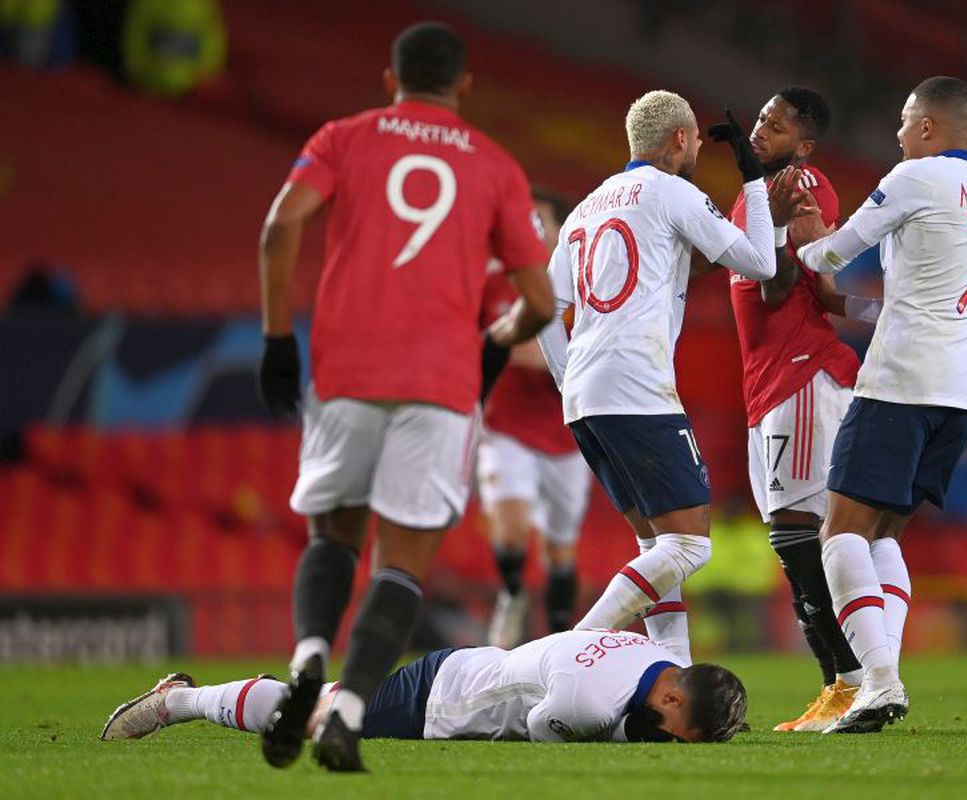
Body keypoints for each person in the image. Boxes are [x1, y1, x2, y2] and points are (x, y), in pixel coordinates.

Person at [255, 21, 553, 771]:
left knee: (333, 536)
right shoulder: (495, 165)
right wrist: (498, 337)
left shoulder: (342, 138)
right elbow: (541, 303)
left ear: (391, 81)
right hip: (440, 384)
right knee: (402, 562)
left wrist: (276, 338)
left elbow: (280, 226)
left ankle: (308, 657)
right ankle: (348, 712)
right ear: (465, 87)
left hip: (347, 370)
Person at [537, 90, 798, 666]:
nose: (699, 149)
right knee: (688, 544)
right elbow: (761, 263)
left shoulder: (586, 207)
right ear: (680, 138)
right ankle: (570, 651)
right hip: (637, 385)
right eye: (697, 141)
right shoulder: (670, 191)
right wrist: (753, 182)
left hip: (585, 397)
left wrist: (565, 377)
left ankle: (672, 667)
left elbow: (546, 307)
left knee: (654, 543)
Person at [792, 76, 967, 733]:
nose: (897, 133)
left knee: (841, 532)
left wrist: (805, 237)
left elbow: (834, 251)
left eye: (904, 120)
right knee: (884, 533)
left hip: (903, 379)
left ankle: (880, 682)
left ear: (927, 127)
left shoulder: (916, 176)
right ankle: (882, 680)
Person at [721, 87, 883, 732]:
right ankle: (844, 681)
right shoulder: (755, 192)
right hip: (768, 380)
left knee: (800, 531)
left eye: (778, 125)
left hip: (802, 372)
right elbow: (823, 292)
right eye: (761, 117)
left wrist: (785, 227)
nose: (761, 129)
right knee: (791, 534)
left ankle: (849, 681)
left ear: (805, 146)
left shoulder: (802, 185)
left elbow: (792, 284)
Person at [99, 630, 748, 745]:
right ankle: (178, 700)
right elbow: (543, 731)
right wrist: (624, 737)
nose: (676, 744)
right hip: (443, 698)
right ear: (670, 699)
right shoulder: (589, 701)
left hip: (475, 666)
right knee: (311, 721)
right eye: (683, 735)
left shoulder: (661, 660)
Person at [478, 190, 592, 647]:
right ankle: (511, 595)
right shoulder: (494, 282)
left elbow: (590, 357)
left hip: (566, 434)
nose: (529, 231)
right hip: (505, 426)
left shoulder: (584, 284)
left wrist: (536, 355)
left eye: (539, 222)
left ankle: (558, 640)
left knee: (560, 552)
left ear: (562, 230)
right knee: (510, 531)